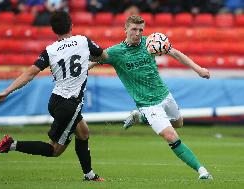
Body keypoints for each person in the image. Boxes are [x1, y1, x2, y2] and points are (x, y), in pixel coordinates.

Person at [89, 15, 213, 180]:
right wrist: (75, 71)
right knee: (171, 136)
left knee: (178, 124)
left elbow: (176, 54)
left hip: (164, 95)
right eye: (134, 29)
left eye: (141, 30)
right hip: (147, 104)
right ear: (125, 29)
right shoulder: (115, 52)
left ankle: (140, 117)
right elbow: (94, 61)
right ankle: (202, 171)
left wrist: (198, 69)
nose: (138, 33)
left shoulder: (152, 42)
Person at [0, 11, 108, 181]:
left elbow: (30, 73)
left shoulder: (50, 50)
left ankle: (89, 175)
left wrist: (6, 91)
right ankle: (11, 144)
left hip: (56, 101)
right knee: (55, 150)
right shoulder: (83, 41)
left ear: (54, 30)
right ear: (71, 25)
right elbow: (104, 56)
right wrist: (109, 57)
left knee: (83, 132)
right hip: (69, 104)